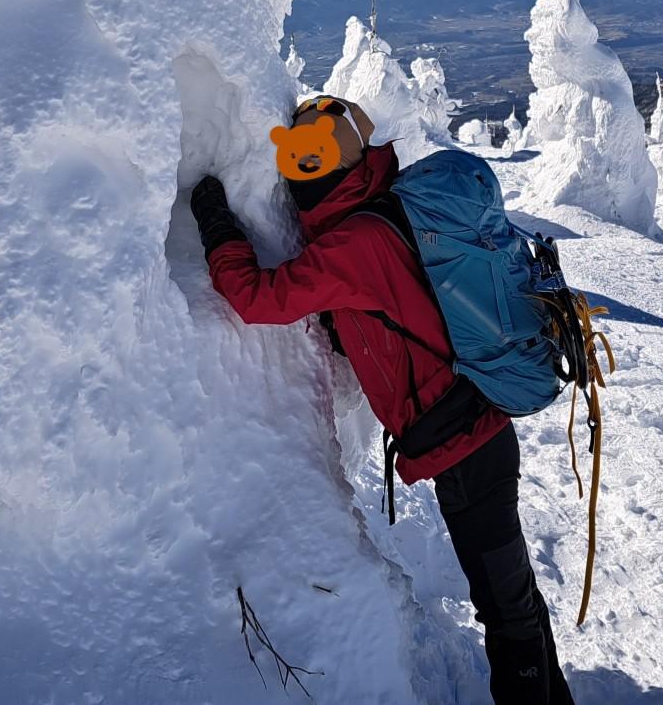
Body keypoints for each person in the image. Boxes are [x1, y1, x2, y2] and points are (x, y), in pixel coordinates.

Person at [189, 95, 575, 705]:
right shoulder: (381, 216)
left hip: (466, 451)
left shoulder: (355, 244)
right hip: (477, 437)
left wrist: (216, 228)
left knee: (507, 612)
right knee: (513, 601)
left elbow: (259, 299)